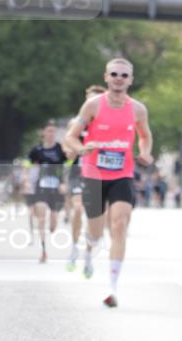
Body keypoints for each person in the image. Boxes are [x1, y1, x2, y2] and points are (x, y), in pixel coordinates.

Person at [64, 58, 153, 308]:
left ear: (130, 80)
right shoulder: (92, 106)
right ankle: (90, 248)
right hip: (93, 174)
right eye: (114, 74)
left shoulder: (138, 109)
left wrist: (145, 152)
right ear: (106, 77)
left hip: (122, 174)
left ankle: (112, 287)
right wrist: (82, 149)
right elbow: (70, 137)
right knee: (95, 231)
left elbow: (145, 136)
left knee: (119, 224)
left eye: (124, 75)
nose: (118, 78)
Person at [63, 84, 104, 271]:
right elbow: (67, 151)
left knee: (93, 216)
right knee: (78, 210)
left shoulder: (105, 124)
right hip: (78, 173)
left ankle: (88, 254)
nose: (91, 103)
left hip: (98, 175)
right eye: (89, 99)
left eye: (95, 100)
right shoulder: (76, 123)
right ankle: (74, 248)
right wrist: (75, 150)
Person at [28, 121, 66, 262]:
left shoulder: (60, 149)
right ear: (43, 133)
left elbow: (68, 166)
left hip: (56, 188)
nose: (51, 134)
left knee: (53, 225)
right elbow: (28, 165)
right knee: (42, 218)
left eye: (53, 131)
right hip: (41, 187)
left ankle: (53, 222)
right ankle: (43, 250)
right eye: (49, 131)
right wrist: (27, 180)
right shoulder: (37, 150)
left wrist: (64, 183)